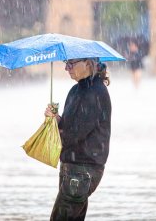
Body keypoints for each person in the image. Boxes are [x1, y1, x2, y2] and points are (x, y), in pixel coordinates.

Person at [45, 57, 112, 221]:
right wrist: (56, 119)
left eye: (71, 64)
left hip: (83, 170)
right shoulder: (76, 90)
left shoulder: (95, 92)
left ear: (88, 63)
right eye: (65, 64)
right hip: (72, 167)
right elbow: (70, 126)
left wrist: (57, 131)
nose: (67, 68)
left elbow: (73, 134)